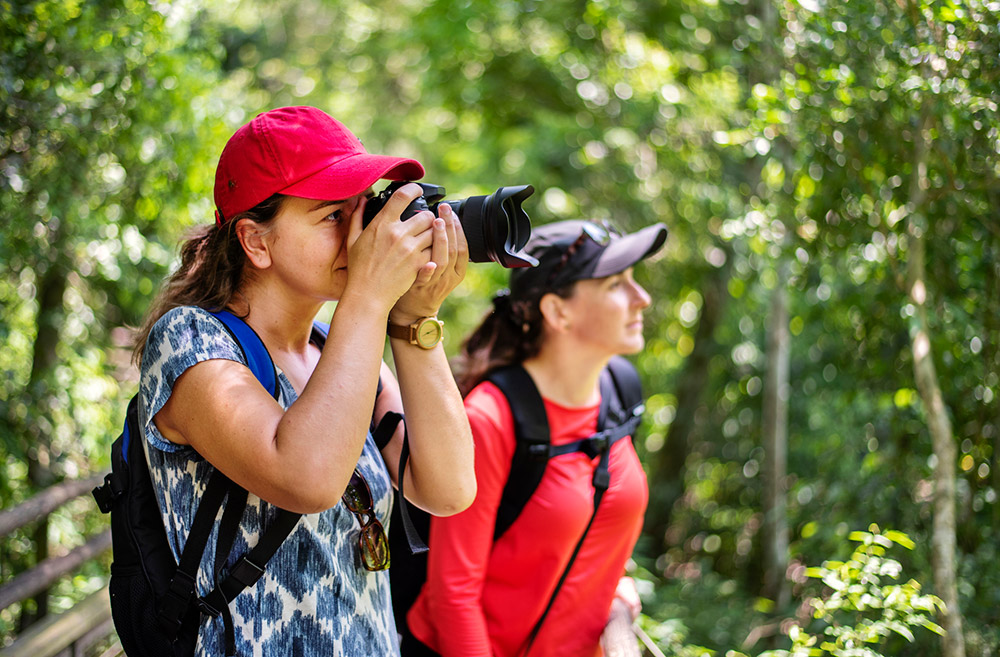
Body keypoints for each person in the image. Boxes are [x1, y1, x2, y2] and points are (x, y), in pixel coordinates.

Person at [132, 105, 476, 656]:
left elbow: (449, 489)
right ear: (256, 241)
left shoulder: (330, 347)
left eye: (364, 210)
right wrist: (368, 298)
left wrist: (412, 320)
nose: (362, 236)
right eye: (332, 216)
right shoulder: (190, 343)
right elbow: (308, 479)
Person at [403, 219, 668, 657]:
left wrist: (612, 581)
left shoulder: (620, 390)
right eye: (615, 285)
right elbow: (454, 596)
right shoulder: (491, 419)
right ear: (558, 311)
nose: (642, 299)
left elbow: (592, 518)